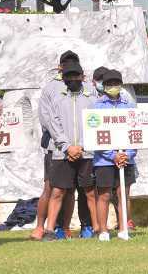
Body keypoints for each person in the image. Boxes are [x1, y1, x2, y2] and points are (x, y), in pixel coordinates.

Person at [41, 58, 95, 242]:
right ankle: (50, 230)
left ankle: (94, 228)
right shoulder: (56, 97)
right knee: (58, 191)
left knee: (88, 191)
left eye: (76, 75)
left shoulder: (91, 97)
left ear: (82, 76)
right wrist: (67, 147)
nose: (73, 79)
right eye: (69, 76)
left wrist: (82, 146)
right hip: (61, 152)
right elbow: (52, 123)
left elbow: (95, 123)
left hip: (86, 152)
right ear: (63, 77)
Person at [91, 69, 137, 241]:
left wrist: (128, 154)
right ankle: (103, 231)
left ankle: (124, 228)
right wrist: (112, 155)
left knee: (123, 194)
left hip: (126, 158)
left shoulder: (129, 106)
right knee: (103, 195)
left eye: (116, 84)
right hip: (104, 160)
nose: (112, 87)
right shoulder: (96, 106)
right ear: (104, 86)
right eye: (109, 84)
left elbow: (136, 133)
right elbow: (94, 136)